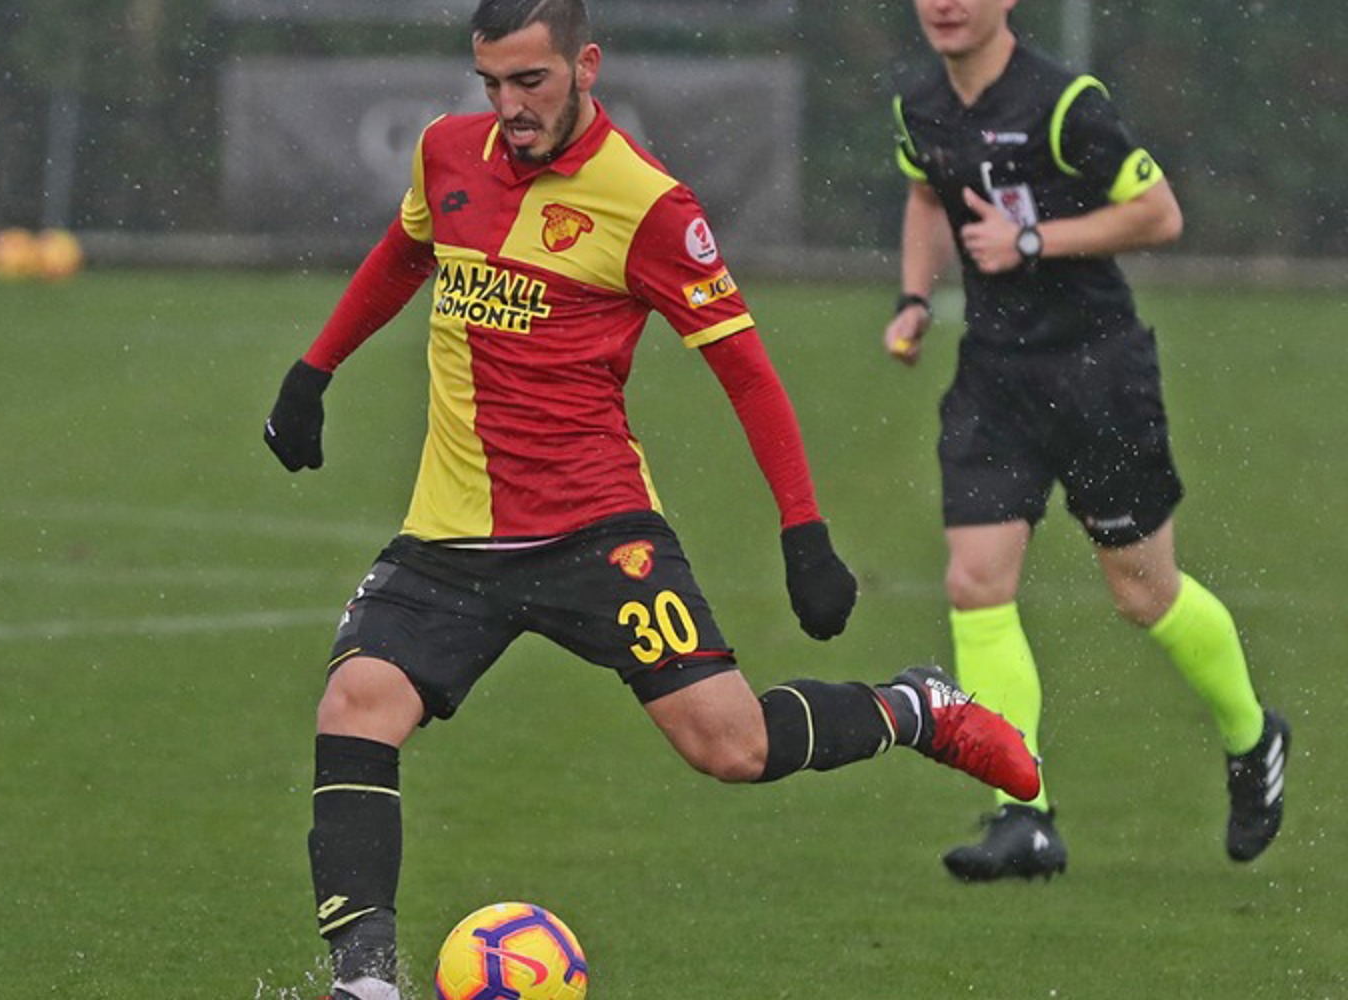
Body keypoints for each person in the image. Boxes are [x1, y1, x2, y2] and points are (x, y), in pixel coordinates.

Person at [265, 2, 1037, 996]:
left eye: (531, 82)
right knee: (355, 703)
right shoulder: (445, 153)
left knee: (731, 745)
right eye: (492, 84)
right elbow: (405, 251)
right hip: (450, 535)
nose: (509, 106)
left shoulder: (647, 204)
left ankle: (912, 708)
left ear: (585, 64)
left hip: (597, 530)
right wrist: (315, 368)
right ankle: (366, 980)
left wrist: (803, 530)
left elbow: (746, 372)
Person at [882, 0, 1290, 882]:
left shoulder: (1066, 104)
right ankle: (1022, 814)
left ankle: (1253, 738)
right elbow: (924, 196)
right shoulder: (921, 107)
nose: (945, 4)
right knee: (975, 581)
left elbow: (1158, 214)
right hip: (995, 377)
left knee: (1143, 591)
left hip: (1097, 373)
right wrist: (914, 298)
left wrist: (1034, 238)